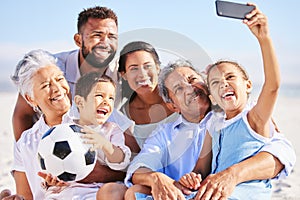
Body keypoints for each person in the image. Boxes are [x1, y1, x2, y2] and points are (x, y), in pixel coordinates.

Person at [123, 59, 295, 200]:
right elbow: (141, 167)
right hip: (190, 193)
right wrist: (155, 178)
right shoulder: (164, 134)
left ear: (206, 85)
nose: (190, 89)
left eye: (192, 80)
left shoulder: (236, 116)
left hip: (232, 192)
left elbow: (283, 152)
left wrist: (233, 174)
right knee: (129, 192)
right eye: (179, 88)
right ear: (172, 105)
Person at [10, 5, 138, 193]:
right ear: (78, 40)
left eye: (112, 37)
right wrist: (31, 160)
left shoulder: (120, 76)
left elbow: (131, 155)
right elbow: (21, 116)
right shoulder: (50, 66)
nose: (105, 43)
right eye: (96, 35)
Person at [179, 5, 283, 199]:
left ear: (248, 85)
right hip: (211, 192)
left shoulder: (255, 118)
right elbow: (201, 168)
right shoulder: (213, 123)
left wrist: (264, 38)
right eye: (216, 82)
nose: (223, 84)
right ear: (212, 97)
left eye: (230, 77)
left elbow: (273, 86)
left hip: (243, 193)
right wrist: (192, 178)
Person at [43, 72, 131, 200]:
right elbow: (51, 160)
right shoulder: (64, 129)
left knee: (115, 191)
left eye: (111, 98)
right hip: (66, 191)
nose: (107, 102)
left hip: (96, 191)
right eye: (100, 96)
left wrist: (105, 145)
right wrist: (50, 180)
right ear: (80, 101)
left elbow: (121, 162)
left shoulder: (111, 130)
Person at [9, 49, 73, 199]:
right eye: (45, 86)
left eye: (59, 79)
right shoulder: (26, 143)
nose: (58, 89)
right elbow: (25, 196)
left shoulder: (94, 121)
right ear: (30, 99)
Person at [118, 41, 179, 148]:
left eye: (147, 66)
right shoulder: (124, 116)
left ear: (157, 67)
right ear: (124, 75)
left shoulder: (178, 98)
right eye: (134, 68)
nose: (142, 74)